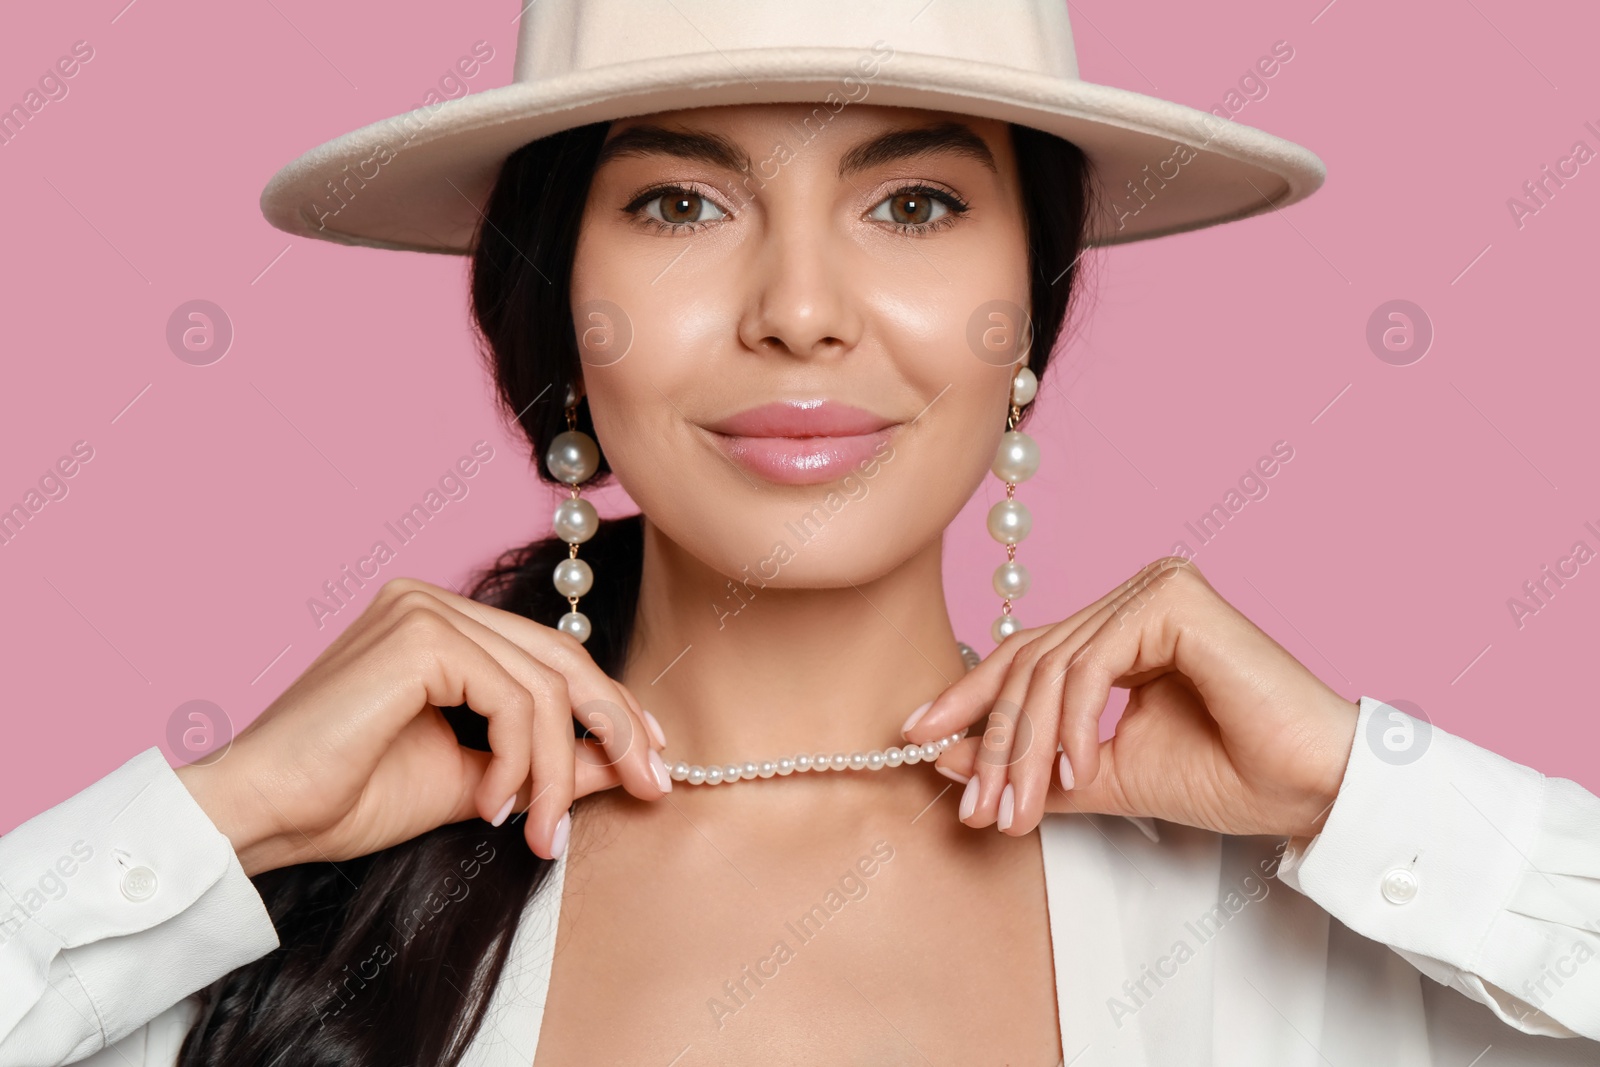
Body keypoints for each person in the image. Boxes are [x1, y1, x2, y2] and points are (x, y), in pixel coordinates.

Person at [4, 2, 1598, 1065]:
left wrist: (1363, 790)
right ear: (559, 305)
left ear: (1028, 307)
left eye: (911, 204)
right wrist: (228, 824)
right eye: (680, 205)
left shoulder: (1313, 922)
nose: (801, 314)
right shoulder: (282, 929)